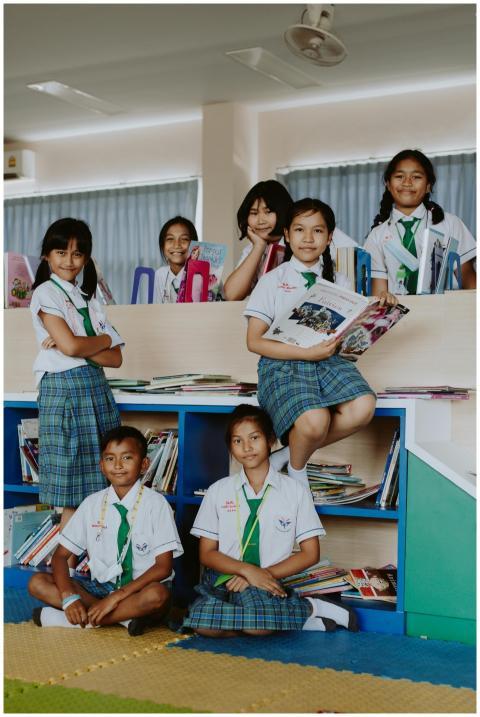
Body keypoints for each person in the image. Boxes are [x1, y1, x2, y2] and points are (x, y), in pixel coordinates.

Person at [182, 405, 358, 636]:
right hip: (223, 578)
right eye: (237, 441)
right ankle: (303, 617)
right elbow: (206, 554)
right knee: (202, 624)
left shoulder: (294, 491)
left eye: (254, 438)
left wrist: (262, 575)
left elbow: (310, 553)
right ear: (230, 447)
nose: (246, 448)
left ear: (270, 440)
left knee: (257, 627)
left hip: (270, 577)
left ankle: (307, 608)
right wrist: (247, 571)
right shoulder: (218, 491)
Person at [244, 198, 382, 484]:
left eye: (317, 231)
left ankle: (285, 456)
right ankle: (297, 473)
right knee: (315, 421)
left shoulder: (341, 282)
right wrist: (306, 353)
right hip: (282, 365)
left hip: (328, 363)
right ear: (286, 234)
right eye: (299, 230)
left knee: (364, 406)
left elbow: (348, 341)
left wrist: (378, 311)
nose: (308, 239)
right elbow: (254, 342)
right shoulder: (272, 281)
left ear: (330, 237)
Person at [28, 425, 183, 637]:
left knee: (158, 595)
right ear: (102, 465)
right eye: (110, 459)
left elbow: (163, 568)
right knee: (38, 582)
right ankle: (123, 619)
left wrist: (116, 597)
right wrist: (69, 597)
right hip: (99, 589)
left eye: (127, 458)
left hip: (139, 590)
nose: (118, 465)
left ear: (144, 464)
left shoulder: (156, 504)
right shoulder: (92, 504)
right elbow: (60, 557)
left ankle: (82, 619)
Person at [30, 218, 124, 529]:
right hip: (65, 390)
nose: (69, 261)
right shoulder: (45, 293)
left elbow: (115, 358)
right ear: (46, 255)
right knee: (73, 490)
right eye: (61, 252)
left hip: (95, 388)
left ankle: (93, 565)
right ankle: (67, 569)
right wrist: (94, 342)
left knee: (102, 483)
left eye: (77, 254)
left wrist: (88, 343)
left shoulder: (90, 300)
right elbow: (71, 348)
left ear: (86, 258)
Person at [364, 149, 476, 296]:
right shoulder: (377, 235)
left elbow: (469, 279)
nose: (407, 183)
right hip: (400, 316)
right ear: (388, 184)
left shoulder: (450, 224)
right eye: (399, 176)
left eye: (416, 177)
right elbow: (379, 294)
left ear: (428, 185)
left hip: (443, 313)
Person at [223, 180, 357, 302]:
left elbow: (358, 258)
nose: (260, 220)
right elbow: (232, 295)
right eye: (254, 213)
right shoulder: (253, 249)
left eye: (268, 212)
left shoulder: (316, 233)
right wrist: (258, 246)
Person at [153, 216, 198, 303]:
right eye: (170, 239)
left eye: (184, 239)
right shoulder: (160, 275)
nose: (177, 245)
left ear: (194, 245)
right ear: (163, 247)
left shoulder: (206, 274)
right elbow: (157, 310)